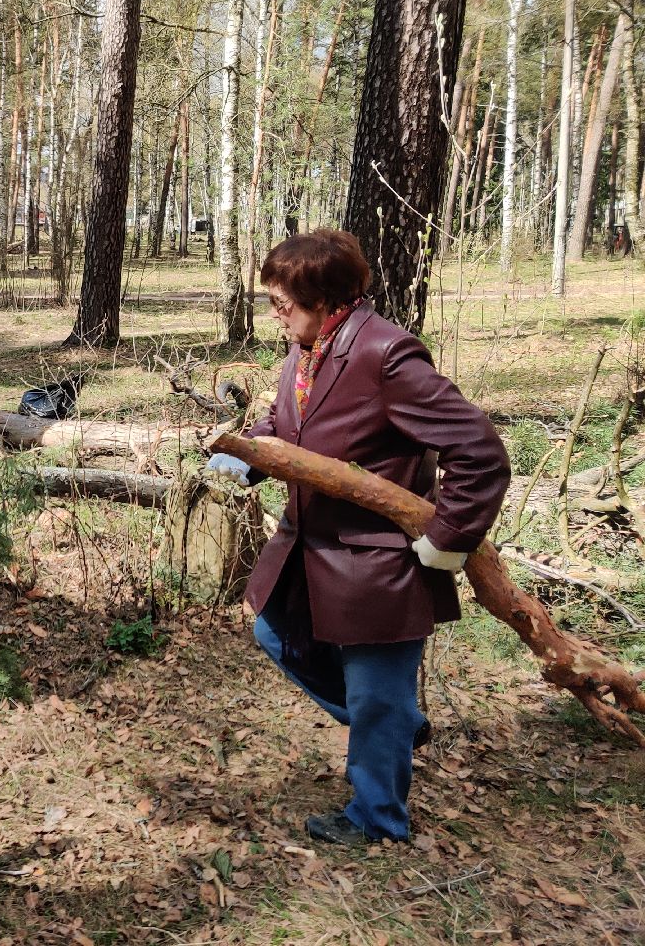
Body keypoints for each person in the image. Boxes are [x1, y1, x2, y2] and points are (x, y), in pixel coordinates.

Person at [207, 230, 508, 847]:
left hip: (379, 563)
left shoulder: (386, 356)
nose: (274, 313)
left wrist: (447, 536)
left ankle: (377, 818)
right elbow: (287, 422)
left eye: (282, 302)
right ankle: (395, 728)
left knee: (375, 692)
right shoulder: (307, 349)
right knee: (274, 633)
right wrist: (250, 453)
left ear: (322, 299)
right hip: (310, 548)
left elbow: (479, 451)